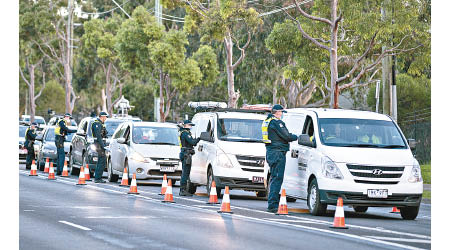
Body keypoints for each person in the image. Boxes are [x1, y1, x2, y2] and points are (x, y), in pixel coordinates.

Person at [262, 105, 298, 213]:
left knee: (274, 178)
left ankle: (272, 203)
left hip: (271, 152)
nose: (282, 114)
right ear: (277, 112)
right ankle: (273, 205)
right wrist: (297, 137)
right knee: (277, 178)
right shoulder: (276, 123)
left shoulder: (267, 121)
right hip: (278, 153)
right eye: (281, 112)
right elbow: (286, 136)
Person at [179, 120, 200, 196]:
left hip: (185, 153)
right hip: (186, 154)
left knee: (185, 172)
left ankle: (183, 190)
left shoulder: (184, 132)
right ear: (185, 125)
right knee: (185, 173)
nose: (191, 126)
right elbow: (193, 142)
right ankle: (183, 190)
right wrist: (199, 138)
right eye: (189, 125)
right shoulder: (185, 133)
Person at [91, 112, 108, 183]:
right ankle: (98, 178)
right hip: (99, 144)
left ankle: (97, 177)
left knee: (101, 160)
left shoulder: (101, 124)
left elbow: (104, 134)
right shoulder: (97, 124)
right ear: (102, 117)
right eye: (106, 117)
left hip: (100, 143)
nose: (106, 118)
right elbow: (98, 137)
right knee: (102, 160)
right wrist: (103, 146)